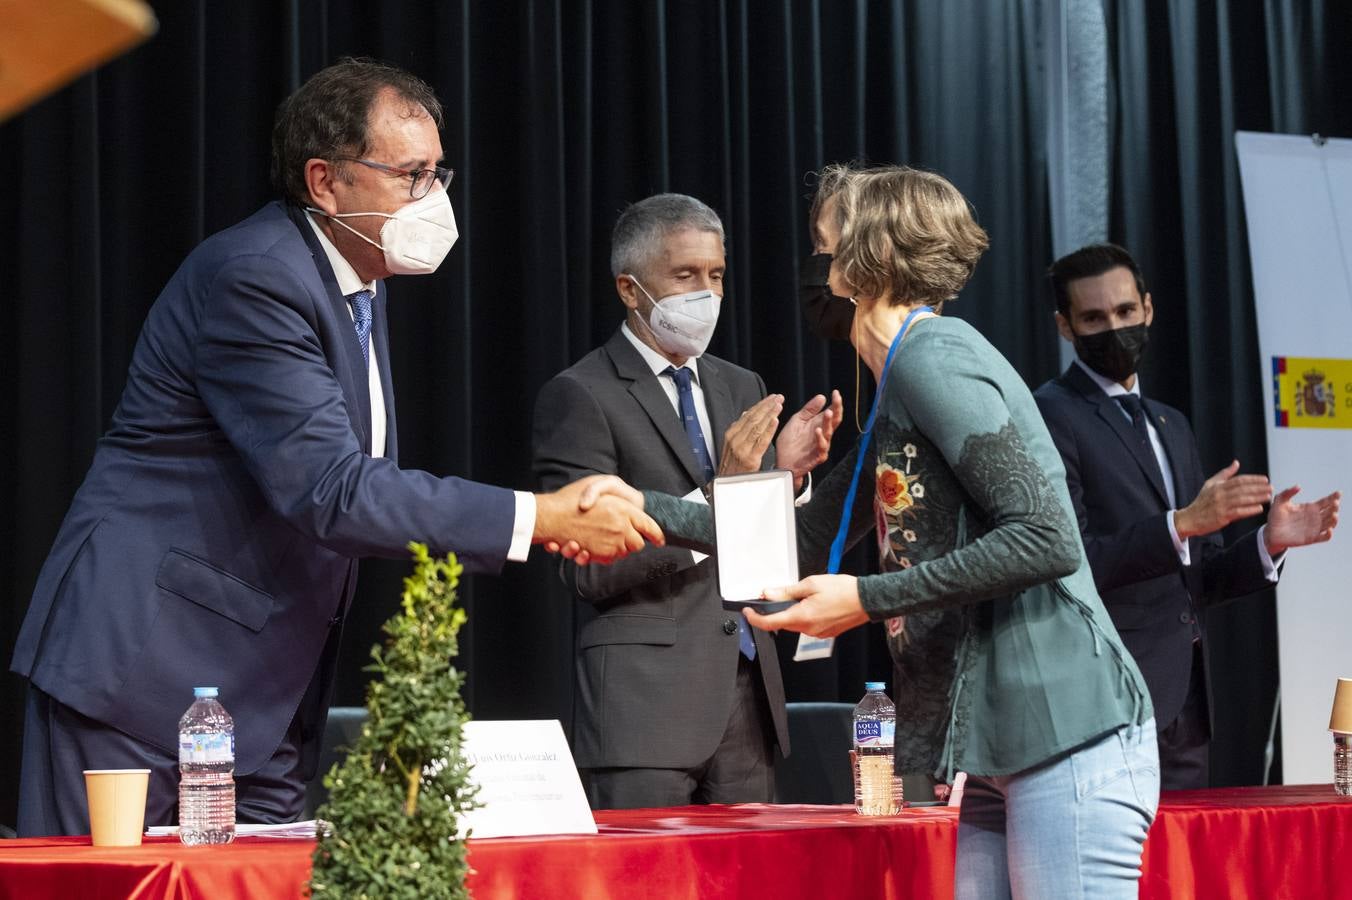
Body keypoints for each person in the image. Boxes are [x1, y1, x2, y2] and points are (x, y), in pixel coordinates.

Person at [11, 58, 660, 837]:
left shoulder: (357, 283)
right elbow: (335, 491)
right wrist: (538, 517)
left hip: (257, 702)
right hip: (142, 684)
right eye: (411, 176)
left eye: (439, 172)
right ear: (325, 181)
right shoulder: (256, 276)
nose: (437, 201)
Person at [587, 164, 1162, 898]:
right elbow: (791, 543)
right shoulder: (899, 381)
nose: (816, 267)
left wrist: (866, 596)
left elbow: (1047, 538)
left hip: (1067, 730)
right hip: (998, 745)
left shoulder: (934, 358)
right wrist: (637, 505)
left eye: (826, 244)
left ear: (870, 255)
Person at [532, 193, 842, 809]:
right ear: (629, 288)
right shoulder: (580, 395)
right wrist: (718, 488)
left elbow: (754, 547)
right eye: (685, 276)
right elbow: (585, 570)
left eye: (717, 275)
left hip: (749, 696)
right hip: (645, 709)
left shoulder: (739, 384)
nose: (706, 292)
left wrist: (789, 477)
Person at [1033, 243, 1340, 791]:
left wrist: (1268, 543)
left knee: (1184, 873)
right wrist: (1179, 525)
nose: (1115, 328)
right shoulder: (1050, 415)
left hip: (1189, 704)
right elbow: (1067, 563)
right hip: (1106, 700)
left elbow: (1196, 578)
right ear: (1065, 326)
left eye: (1126, 312)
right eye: (1094, 318)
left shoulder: (1170, 424)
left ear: (1148, 309)